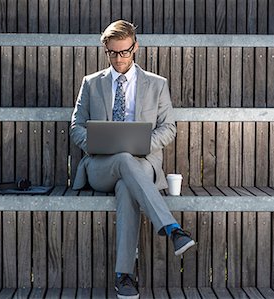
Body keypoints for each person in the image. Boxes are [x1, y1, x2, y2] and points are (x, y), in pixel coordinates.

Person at [70, 20, 195, 299]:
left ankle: (124, 276)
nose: (119, 59)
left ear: (135, 47)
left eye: (124, 52)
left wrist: (143, 145)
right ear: (105, 50)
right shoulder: (91, 84)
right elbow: (76, 127)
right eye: (112, 53)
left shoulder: (157, 85)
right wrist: (98, 144)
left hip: (142, 165)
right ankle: (172, 228)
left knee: (128, 182)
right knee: (123, 159)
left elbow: (168, 127)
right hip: (101, 166)